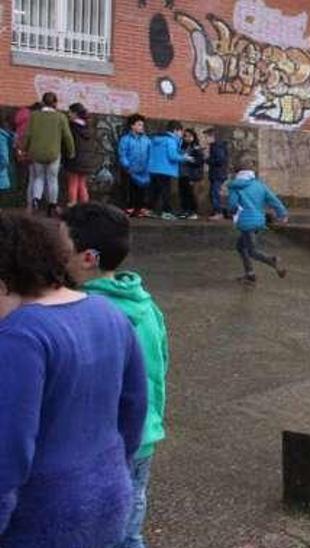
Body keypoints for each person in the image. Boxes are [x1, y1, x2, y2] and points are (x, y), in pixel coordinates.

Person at [0, 212, 147, 546]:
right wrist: (116, 465)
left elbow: (8, 450)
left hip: (40, 516)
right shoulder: (107, 311)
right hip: (109, 496)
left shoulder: (19, 337)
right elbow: (135, 406)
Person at [63, 203, 170, 548]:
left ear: (88, 257)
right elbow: (161, 363)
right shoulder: (144, 302)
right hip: (145, 434)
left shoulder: (89, 314)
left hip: (110, 441)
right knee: (130, 523)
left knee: (104, 530)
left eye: (62, 248)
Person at [227, 159, 289, 284]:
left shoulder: (234, 186)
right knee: (240, 247)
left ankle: (272, 260)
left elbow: (232, 205)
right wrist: (282, 214)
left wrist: (233, 212)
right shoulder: (259, 185)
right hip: (259, 221)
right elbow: (274, 200)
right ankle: (250, 274)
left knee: (252, 251)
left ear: (237, 172)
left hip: (246, 223)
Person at [18, 92, 74, 216]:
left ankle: (36, 199)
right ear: (55, 103)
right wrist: (71, 151)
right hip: (53, 153)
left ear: (42, 102)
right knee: (52, 179)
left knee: (38, 178)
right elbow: (67, 136)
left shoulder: (34, 116)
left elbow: (28, 134)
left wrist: (24, 148)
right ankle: (52, 205)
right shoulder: (61, 117)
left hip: (36, 153)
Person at [147, 121, 186, 220]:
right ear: (176, 130)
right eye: (181, 132)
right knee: (166, 192)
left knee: (155, 191)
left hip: (153, 169)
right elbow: (172, 156)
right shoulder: (170, 140)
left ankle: (153, 211)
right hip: (166, 170)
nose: (182, 134)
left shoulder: (155, 139)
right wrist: (185, 157)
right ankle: (166, 211)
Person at [65, 103, 102, 206]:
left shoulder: (71, 127)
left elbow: (68, 142)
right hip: (86, 159)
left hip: (74, 157)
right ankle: (85, 207)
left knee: (73, 183)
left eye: (70, 112)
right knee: (82, 184)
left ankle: (72, 205)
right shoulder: (89, 127)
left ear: (75, 113)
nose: (69, 114)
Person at [118, 114, 152, 218]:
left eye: (142, 125)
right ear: (132, 126)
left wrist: (149, 166)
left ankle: (140, 209)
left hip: (144, 170)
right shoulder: (126, 139)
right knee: (130, 190)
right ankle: (130, 208)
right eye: (139, 125)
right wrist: (127, 165)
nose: (142, 127)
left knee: (142, 191)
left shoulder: (146, 140)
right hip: (130, 170)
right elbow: (122, 153)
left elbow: (151, 154)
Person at [177, 129, 205, 220]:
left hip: (191, 174)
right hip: (182, 173)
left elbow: (199, 161)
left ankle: (193, 211)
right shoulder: (182, 147)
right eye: (185, 136)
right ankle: (184, 210)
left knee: (190, 194)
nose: (187, 138)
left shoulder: (196, 148)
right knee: (182, 193)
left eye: (190, 136)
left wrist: (189, 160)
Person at [204, 128, 230, 220]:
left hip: (218, 174)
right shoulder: (216, 146)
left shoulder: (217, 146)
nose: (205, 139)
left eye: (206, 137)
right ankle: (218, 211)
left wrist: (207, 160)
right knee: (213, 193)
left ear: (212, 136)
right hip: (217, 173)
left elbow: (220, 160)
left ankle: (218, 212)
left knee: (215, 193)